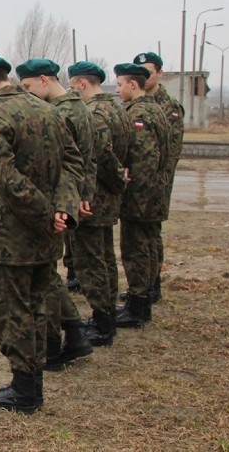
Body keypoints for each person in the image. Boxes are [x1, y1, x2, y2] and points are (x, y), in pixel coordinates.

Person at [0, 56, 81, 414]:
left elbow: (4, 178)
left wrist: (46, 214)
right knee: (38, 305)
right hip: (48, 235)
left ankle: (24, 391)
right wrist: (62, 208)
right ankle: (32, 385)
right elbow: (73, 162)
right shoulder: (48, 111)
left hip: (14, 235)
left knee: (11, 311)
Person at [17, 58, 95, 369]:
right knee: (48, 273)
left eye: (28, 87)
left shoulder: (62, 112)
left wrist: (67, 203)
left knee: (45, 275)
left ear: (44, 79)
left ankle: (60, 342)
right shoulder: (77, 107)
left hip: (57, 203)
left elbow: (70, 161)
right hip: (68, 199)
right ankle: (75, 334)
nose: (28, 94)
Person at [67, 61, 130, 346]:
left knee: (91, 260)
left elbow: (101, 155)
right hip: (107, 195)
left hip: (95, 196)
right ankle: (107, 317)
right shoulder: (117, 107)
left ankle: (103, 323)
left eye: (72, 85)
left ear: (81, 83)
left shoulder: (95, 112)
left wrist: (114, 181)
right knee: (105, 258)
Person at [113, 63, 169, 328]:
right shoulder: (154, 108)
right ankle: (142, 302)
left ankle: (137, 307)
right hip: (151, 194)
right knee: (147, 246)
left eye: (120, 84)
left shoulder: (140, 114)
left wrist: (134, 196)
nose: (118, 89)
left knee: (136, 249)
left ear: (132, 85)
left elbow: (145, 161)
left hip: (141, 196)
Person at [133, 51, 183, 305]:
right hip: (140, 184)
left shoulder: (168, 106)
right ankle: (145, 284)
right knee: (143, 235)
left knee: (150, 233)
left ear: (159, 74)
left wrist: (158, 184)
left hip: (156, 184)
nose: (145, 77)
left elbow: (170, 152)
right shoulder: (137, 103)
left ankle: (152, 286)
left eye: (149, 72)